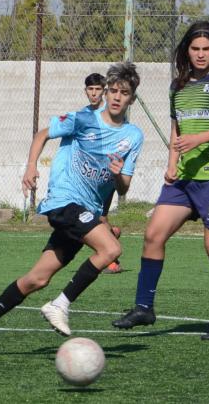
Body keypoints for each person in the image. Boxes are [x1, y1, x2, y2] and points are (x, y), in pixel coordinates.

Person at [0, 62, 144, 357]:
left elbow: (123, 187)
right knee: (110, 249)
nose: (115, 97)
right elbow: (41, 135)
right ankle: (59, 304)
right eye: (112, 90)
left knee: (38, 278)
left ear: (131, 99)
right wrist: (31, 166)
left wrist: (117, 172)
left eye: (123, 93)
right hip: (64, 201)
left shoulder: (133, 136)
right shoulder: (83, 119)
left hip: (85, 210)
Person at [112, 21, 209, 340]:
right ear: (186, 50)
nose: (201, 55)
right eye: (195, 48)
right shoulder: (178, 85)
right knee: (153, 234)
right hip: (183, 178)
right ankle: (144, 308)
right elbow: (176, 127)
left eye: (207, 49)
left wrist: (199, 139)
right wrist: (171, 163)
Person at [82, 72, 125, 274]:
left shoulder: (110, 115)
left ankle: (111, 259)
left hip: (105, 175)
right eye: (90, 89)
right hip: (87, 177)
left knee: (99, 218)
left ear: (104, 92)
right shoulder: (83, 115)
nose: (94, 93)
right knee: (95, 219)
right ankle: (111, 236)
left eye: (98, 89)